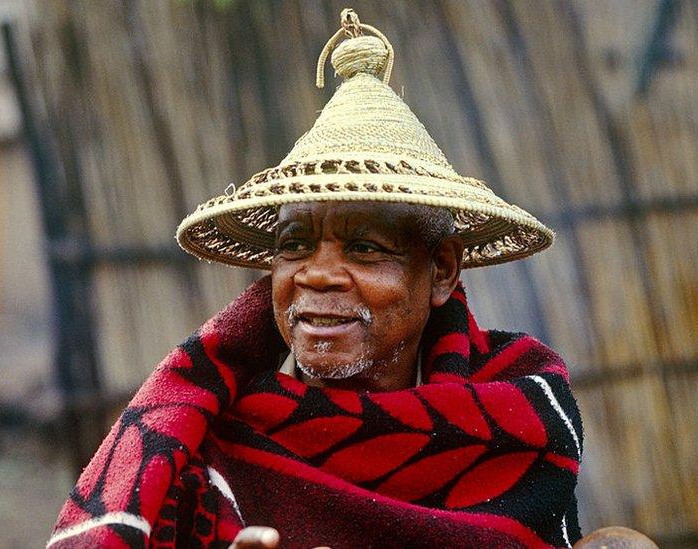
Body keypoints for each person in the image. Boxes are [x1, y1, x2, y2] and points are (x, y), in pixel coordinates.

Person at [48, 9, 583, 549]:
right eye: (295, 245)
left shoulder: (519, 418)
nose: (318, 274)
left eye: (365, 248)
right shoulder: (212, 450)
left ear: (441, 270)